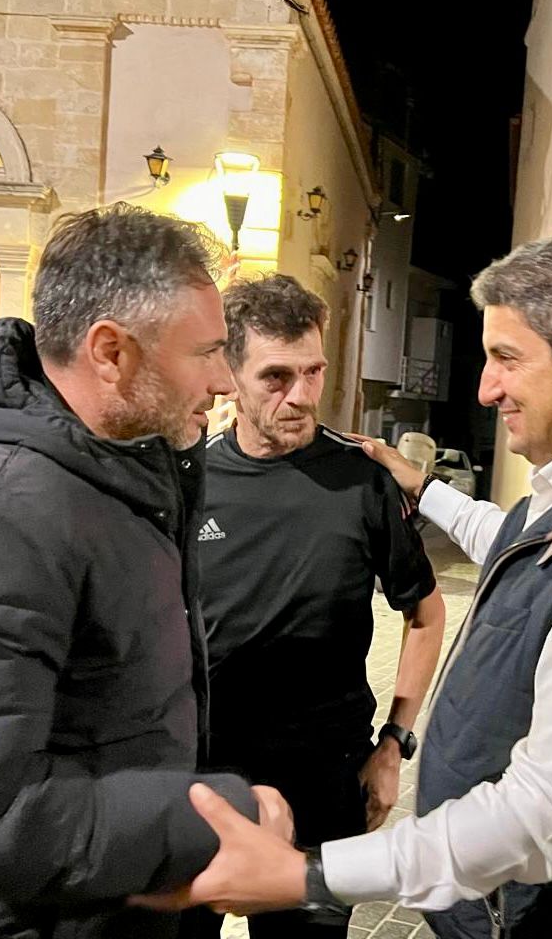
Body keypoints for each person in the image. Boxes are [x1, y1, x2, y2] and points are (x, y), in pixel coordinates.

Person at [134, 228, 552, 939]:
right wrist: (426, 488)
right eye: (275, 376)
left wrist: (317, 869)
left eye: (506, 358)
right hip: (238, 782)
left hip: (551, 917)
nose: (485, 389)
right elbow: (511, 540)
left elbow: (540, 815)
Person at [0, 204, 291, 939]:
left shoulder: (113, 474)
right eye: (206, 352)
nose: (225, 380)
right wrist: (219, 819)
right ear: (110, 351)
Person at [194, 274, 446, 939]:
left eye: (313, 371)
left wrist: (393, 744)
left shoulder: (362, 481)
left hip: (324, 781)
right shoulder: (191, 482)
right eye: (276, 377)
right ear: (230, 374)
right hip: (204, 776)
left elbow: (426, 615)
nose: (302, 395)